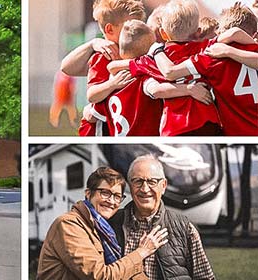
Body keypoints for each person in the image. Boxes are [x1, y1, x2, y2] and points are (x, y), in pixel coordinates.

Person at [37, 167, 168, 279]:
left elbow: (123, 272)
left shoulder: (102, 228)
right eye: (105, 193)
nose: (111, 201)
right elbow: (100, 275)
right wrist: (141, 252)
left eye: (117, 196)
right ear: (88, 194)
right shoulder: (69, 225)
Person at [153, 2, 258, 135]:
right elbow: (236, 33)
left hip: (237, 134)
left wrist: (155, 50)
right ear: (255, 34)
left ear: (220, 31)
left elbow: (170, 72)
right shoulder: (221, 51)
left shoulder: (212, 56)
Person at [109, 155, 214, 279]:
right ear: (130, 186)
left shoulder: (184, 228)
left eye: (152, 182)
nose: (145, 189)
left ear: (163, 186)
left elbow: (205, 277)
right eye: (138, 181)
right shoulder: (111, 224)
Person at [68, 0, 146, 136]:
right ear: (110, 29)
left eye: (139, 27)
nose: (136, 33)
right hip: (103, 131)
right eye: (130, 28)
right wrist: (112, 84)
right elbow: (92, 95)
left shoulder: (142, 53)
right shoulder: (103, 57)